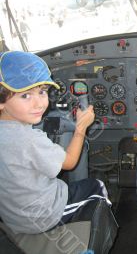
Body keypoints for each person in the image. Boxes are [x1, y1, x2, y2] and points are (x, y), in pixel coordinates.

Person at [0, 50, 110, 234]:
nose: (39, 104)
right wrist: (81, 128)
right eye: (25, 96)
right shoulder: (28, 139)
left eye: (42, 92)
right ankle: (97, 236)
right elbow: (69, 162)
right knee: (97, 186)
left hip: (13, 214)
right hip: (42, 216)